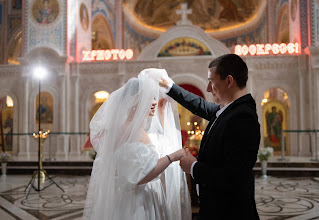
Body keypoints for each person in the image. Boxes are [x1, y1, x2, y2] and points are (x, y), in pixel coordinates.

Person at [159, 54, 261, 219]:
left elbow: (233, 178)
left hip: (229, 212)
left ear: (229, 81)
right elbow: (199, 105)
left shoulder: (242, 118)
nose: (208, 88)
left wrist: (193, 167)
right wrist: (170, 86)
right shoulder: (229, 111)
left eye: (212, 81)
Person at [83, 69, 191, 220]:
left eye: (154, 97)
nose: (154, 102)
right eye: (150, 98)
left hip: (136, 196)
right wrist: (173, 156)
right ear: (135, 101)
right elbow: (141, 176)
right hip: (138, 203)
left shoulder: (130, 128)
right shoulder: (132, 132)